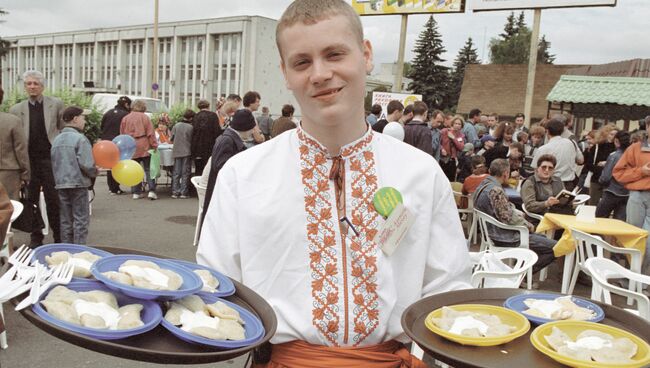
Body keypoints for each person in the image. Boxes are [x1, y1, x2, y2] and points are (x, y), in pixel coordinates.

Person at [197, 1, 471, 365]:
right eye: (302, 62)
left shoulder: (420, 172)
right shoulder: (243, 175)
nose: (321, 74)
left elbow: (447, 288)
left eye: (335, 54)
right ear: (285, 72)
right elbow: (216, 292)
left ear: (366, 54)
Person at [9, 70, 64, 246]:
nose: (32, 87)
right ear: (25, 87)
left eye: (35, 83)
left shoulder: (55, 104)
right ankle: (36, 236)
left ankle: (59, 236)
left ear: (42, 86)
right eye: (29, 84)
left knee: (53, 199)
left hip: (49, 159)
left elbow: (62, 129)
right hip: (29, 161)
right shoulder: (16, 109)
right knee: (31, 201)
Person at [473, 159, 555, 273]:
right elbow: (508, 218)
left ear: (490, 170)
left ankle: (520, 268)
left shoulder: (483, 184)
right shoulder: (495, 190)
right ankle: (522, 274)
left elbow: (501, 210)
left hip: (492, 232)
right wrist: (529, 226)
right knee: (555, 248)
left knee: (543, 239)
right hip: (504, 236)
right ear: (506, 173)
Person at [51, 107, 97, 245]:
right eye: (83, 117)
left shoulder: (56, 139)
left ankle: (67, 248)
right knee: (81, 219)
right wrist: (94, 172)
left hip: (61, 183)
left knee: (65, 219)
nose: (85, 121)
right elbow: (87, 164)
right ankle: (79, 249)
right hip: (78, 182)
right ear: (75, 119)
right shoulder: (80, 139)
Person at [201, 109, 254, 225]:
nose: (252, 131)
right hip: (221, 193)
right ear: (244, 127)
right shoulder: (228, 140)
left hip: (221, 192)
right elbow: (220, 167)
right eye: (251, 128)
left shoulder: (228, 138)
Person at [614, 133, 650, 276]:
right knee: (633, 238)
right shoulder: (635, 148)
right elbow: (618, 173)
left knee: (648, 243)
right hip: (637, 196)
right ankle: (631, 278)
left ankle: (641, 280)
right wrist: (641, 171)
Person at [120, 99, 158, 200]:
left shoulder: (125, 118)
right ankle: (151, 191)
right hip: (144, 143)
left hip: (131, 145)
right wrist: (154, 145)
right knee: (148, 169)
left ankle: (136, 192)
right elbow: (150, 133)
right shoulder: (145, 117)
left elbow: (122, 134)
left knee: (134, 170)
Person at [532, 117, 578, 191]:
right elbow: (581, 160)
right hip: (568, 184)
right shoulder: (571, 143)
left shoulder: (543, 149)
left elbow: (536, 170)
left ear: (547, 131)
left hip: (550, 185)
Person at [0, 86, 30, 200]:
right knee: (9, 208)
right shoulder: (12, 121)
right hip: (9, 173)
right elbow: (21, 150)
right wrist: (26, 174)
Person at [596, 130, 630, 221]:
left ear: (616, 141)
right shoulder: (632, 156)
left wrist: (601, 182)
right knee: (619, 222)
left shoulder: (614, 156)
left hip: (612, 191)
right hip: (627, 193)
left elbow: (605, 177)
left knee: (600, 218)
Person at [100, 95, 131, 195]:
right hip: (118, 142)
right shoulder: (126, 115)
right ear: (126, 104)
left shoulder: (108, 112)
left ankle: (111, 188)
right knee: (117, 165)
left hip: (106, 143)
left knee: (110, 165)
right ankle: (116, 187)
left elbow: (102, 127)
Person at [584, 124, 617, 206]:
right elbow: (588, 164)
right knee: (592, 205)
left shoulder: (618, 149)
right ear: (605, 134)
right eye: (611, 134)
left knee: (606, 206)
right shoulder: (596, 147)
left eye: (615, 135)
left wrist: (606, 164)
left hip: (611, 182)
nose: (613, 137)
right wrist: (601, 169)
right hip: (596, 179)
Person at [192, 99, 222, 177]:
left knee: (198, 169)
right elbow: (217, 132)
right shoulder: (213, 116)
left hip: (197, 147)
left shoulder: (195, 116)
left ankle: (197, 186)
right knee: (208, 168)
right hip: (210, 147)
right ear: (208, 106)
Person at [170, 109, 194, 199]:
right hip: (187, 151)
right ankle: (184, 192)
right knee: (185, 173)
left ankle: (175, 192)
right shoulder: (191, 127)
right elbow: (192, 139)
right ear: (191, 118)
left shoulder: (176, 125)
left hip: (176, 151)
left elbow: (171, 138)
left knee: (176, 172)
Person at [440, 115, 466, 182]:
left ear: (461, 126)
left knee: (450, 180)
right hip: (443, 159)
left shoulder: (461, 135)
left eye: (459, 124)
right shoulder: (444, 131)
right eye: (456, 123)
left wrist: (453, 138)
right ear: (452, 124)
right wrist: (442, 149)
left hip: (452, 160)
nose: (457, 125)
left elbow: (461, 148)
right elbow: (438, 143)